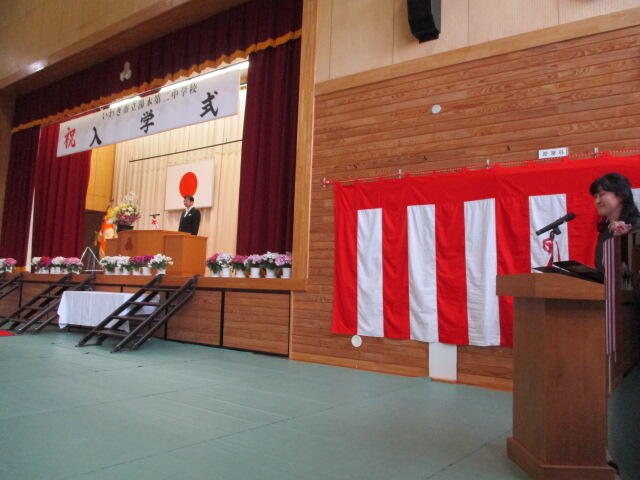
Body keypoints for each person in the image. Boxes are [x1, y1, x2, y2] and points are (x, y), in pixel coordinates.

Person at [590, 173, 640, 271]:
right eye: (595, 197)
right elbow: (601, 268)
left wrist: (622, 240)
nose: (597, 201)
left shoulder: (637, 227)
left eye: (602, 195)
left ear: (621, 195)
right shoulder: (605, 232)